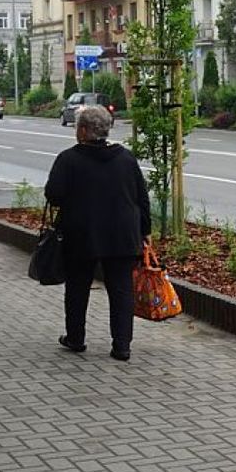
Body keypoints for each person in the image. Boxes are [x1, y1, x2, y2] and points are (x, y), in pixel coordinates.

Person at [44, 104, 151, 361]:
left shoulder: (68, 159)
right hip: (122, 235)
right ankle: (122, 346)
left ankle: (76, 339)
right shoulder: (126, 158)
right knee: (121, 289)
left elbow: (53, 195)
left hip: (81, 234)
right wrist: (145, 232)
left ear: (82, 130)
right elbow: (142, 198)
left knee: (78, 287)